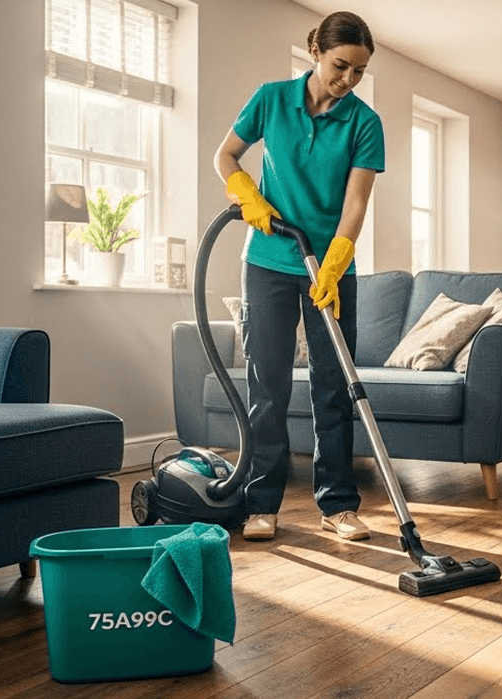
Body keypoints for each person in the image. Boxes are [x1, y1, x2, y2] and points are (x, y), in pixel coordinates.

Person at [213, 11, 385, 542]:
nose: (348, 80)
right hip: (267, 261)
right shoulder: (270, 100)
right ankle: (261, 504)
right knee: (268, 386)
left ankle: (338, 505)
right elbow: (226, 155)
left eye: (358, 71)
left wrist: (336, 261)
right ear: (316, 51)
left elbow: (356, 202)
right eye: (341, 66)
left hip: (329, 266)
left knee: (334, 388)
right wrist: (247, 193)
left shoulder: (364, 122)